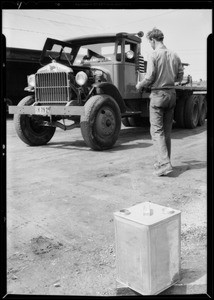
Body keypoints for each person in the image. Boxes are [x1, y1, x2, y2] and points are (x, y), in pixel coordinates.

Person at [136, 28, 184, 176]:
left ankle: (164, 164)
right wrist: (170, 80)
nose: (149, 44)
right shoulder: (174, 54)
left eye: (149, 42)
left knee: (156, 131)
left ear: (153, 40)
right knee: (167, 131)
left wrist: (140, 85)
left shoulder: (154, 55)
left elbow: (149, 77)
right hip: (171, 94)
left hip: (158, 95)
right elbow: (180, 76)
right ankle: (165, 162)